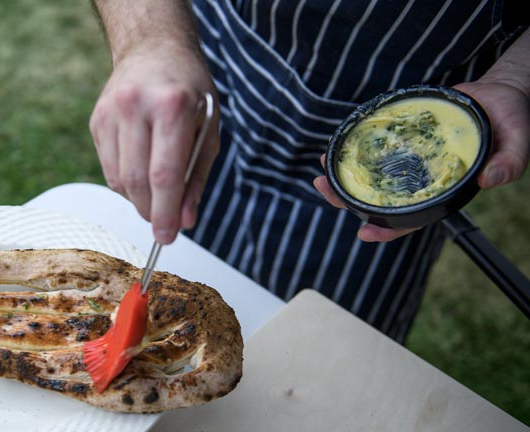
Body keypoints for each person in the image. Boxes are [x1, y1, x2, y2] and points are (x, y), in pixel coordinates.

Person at [88, 0, 530, 341]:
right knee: (173, 302)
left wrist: (515, 78)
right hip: (202, 74)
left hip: (393, 159)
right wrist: (147, 41)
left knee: (314, 364)